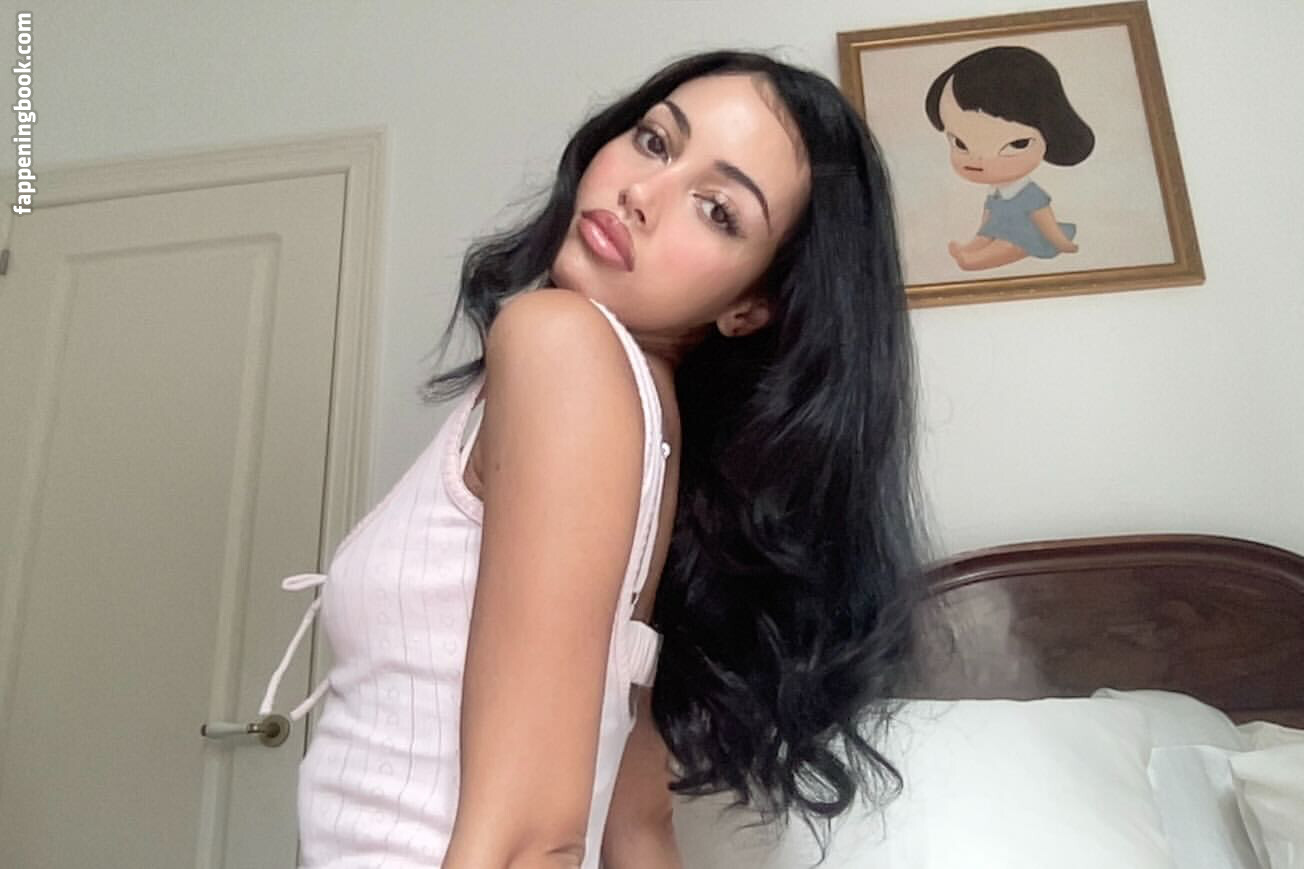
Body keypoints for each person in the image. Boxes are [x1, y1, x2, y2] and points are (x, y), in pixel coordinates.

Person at [263, 47, 927, 869]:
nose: (642, 194)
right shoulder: (650, 433)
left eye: (717, 209)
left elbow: (531, 839)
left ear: (752, 305)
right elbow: (636, 825)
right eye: (655, 141)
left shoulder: (561, 345)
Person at [924, 45, 1095, 271]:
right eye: (960, 144)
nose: (981, 160)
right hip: (998, 230)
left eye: (1017, 144)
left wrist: (1061, 243)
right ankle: (972, 249)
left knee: (1008, 245)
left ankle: (974, 260)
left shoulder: (1029, 193)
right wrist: (980, 237)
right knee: (986, 237)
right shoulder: (995, 191)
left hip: (1025, 235)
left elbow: (1045, 221)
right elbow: (988, 218)